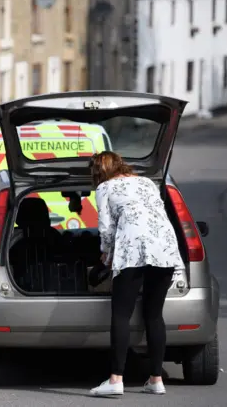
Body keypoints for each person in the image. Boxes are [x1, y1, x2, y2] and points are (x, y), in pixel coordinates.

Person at [88, 151, 185, 397]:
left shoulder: (105, 188)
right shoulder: (147, 182)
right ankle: (156, 379)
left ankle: (115, 379)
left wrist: (106, 255)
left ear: (99, 172)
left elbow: (106, 228)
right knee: (154, 315)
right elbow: (158, 213)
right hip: (164, 248)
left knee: (121, 314)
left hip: (132, 250)